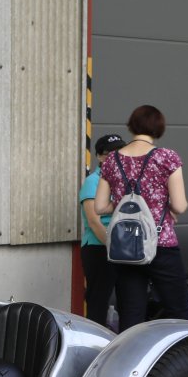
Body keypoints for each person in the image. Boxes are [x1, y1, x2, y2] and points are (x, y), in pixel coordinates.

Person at [95, 104, 188, 331]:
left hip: (125, 246)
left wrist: (122, 202)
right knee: (178, 311)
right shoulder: (167, 157)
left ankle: (131, 353)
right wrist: (163, 207)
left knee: (131, 315)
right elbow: (180, 205)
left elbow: (99, 207)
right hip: (161, 243)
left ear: (131, 126)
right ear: (159, 128)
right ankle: (184, 353)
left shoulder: (112, 160)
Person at [79, 133, 125, 326]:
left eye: (120, 152)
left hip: (125, 250)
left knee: (128, 302)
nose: (115, 157)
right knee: (98, 302)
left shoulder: (126, 180)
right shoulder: (93, 181)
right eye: (109, 153)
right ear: (99, 156)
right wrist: (114, 248)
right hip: (99, 248)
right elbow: (94, 221)